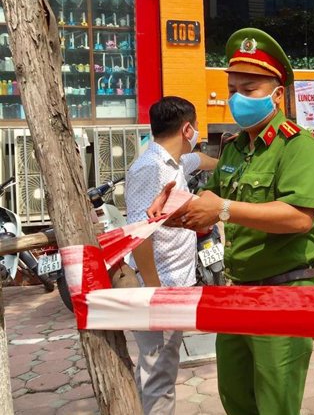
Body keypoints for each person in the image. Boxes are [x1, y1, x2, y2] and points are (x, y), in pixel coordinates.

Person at [148, 28, 314, 415]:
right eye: (233, 89)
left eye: (250, 88)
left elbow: (299, 218)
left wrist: (223, 209)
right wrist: (175, 209)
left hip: (285, 294)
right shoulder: (234, 148)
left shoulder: (299, 146)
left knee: (275, 404)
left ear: (277, 95)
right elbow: (208, 204)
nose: (238, 99)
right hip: (236, 291)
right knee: (236, 399)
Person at [125, 96, 218, 415]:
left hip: (175, 283)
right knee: (159, 373)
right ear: (187, 128)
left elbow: (203, 161)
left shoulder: (175, 161)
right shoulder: (150, 168)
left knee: (160, 366)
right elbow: (139, 233)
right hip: (159, 287)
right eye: (196, 130)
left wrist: (232, 159)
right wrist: (154, 291)